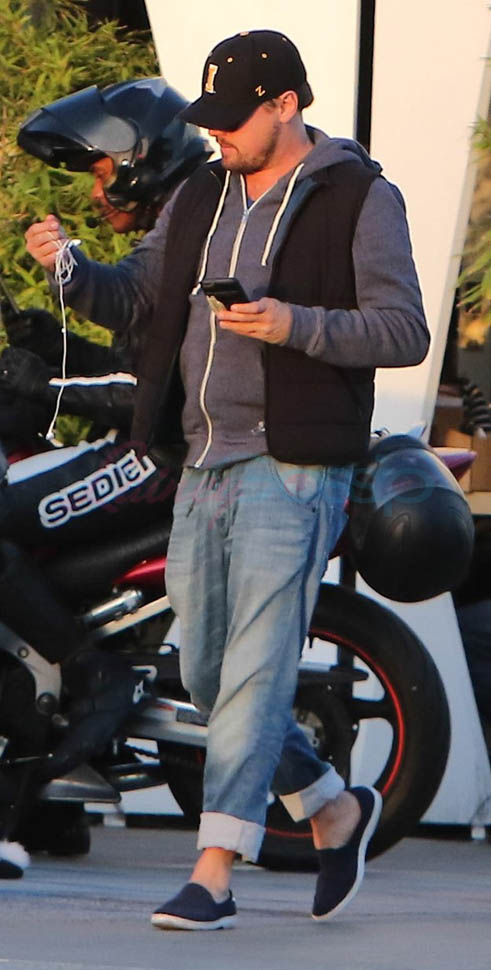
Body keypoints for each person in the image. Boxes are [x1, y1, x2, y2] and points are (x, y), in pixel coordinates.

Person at [25, 30, 430, 927]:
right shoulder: (203, 192)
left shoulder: (358, 196)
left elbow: (403, 330)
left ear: (286, 105)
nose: (217, 134)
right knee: (208, 675)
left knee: (253, 670)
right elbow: (136, 297)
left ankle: (213, 871)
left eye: (233, 118)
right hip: (200, 459)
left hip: (295, 467)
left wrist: (293, 325)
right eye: (209, 117)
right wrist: (69, 269)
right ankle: (330, 805)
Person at [0, 78, 210, 871]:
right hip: (163, 440)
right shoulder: (184, 217)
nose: (96, 189)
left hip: (158, 457)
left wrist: (66, 289)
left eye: (98, 170)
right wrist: (54, 349)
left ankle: (93, 673)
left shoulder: (186, 224)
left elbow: (144, 372)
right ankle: (50, 799)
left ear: (136, 157)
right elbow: (136, 358)